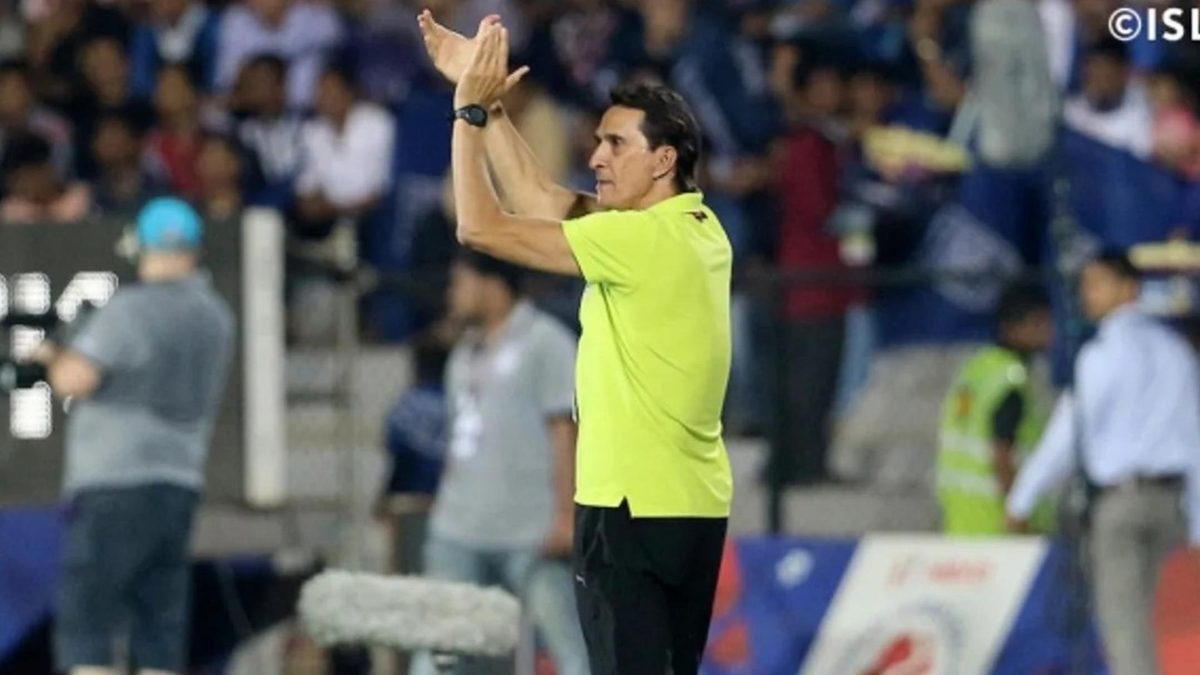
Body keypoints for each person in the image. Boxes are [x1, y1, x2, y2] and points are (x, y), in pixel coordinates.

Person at [419, 14, 732, 673]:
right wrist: (493, 106)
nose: (596, 158)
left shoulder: (635, 241)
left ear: (664, 160)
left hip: (627, 507)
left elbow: (479, 227)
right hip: (692, 504)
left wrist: (468, 112)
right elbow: (539, 197)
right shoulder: (699, 229)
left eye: (616, 144)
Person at [34, 197, 235, 675]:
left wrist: (50, 355)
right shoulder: (216, 316)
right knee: (159, 622)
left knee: (86, 615)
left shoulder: (131, 310)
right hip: (179, 481)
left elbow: (76, 379)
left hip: (117, 482)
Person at [1007, 251, 1200, 675]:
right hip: (1172, 505)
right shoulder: (1177, 354)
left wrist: (1021, 499)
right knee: (1165, 627)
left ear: (1128, 287)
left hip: (1119, 506)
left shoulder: (1101, 355)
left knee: (1124, 626)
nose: (1086, 293)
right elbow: (1195, 440)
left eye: (1097, 283)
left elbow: (1065, 436)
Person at [410, 250, 588, 675]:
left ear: (492, 284)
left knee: (571, 652)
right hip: (459, 531)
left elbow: (565, 432)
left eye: (461, 281)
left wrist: (567, 515)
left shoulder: (547, 342)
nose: (452, 293)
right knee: (440, 655)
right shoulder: (462, 355)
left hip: (531, 532)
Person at [937, 283, 1055, 535]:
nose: (1048, 332)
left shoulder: (977, 368)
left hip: (961, 521)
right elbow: (1002, 453)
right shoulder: (1011, 382)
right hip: (999, 527)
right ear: (1013, 327)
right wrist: (1018, 511)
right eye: (1039, 323)